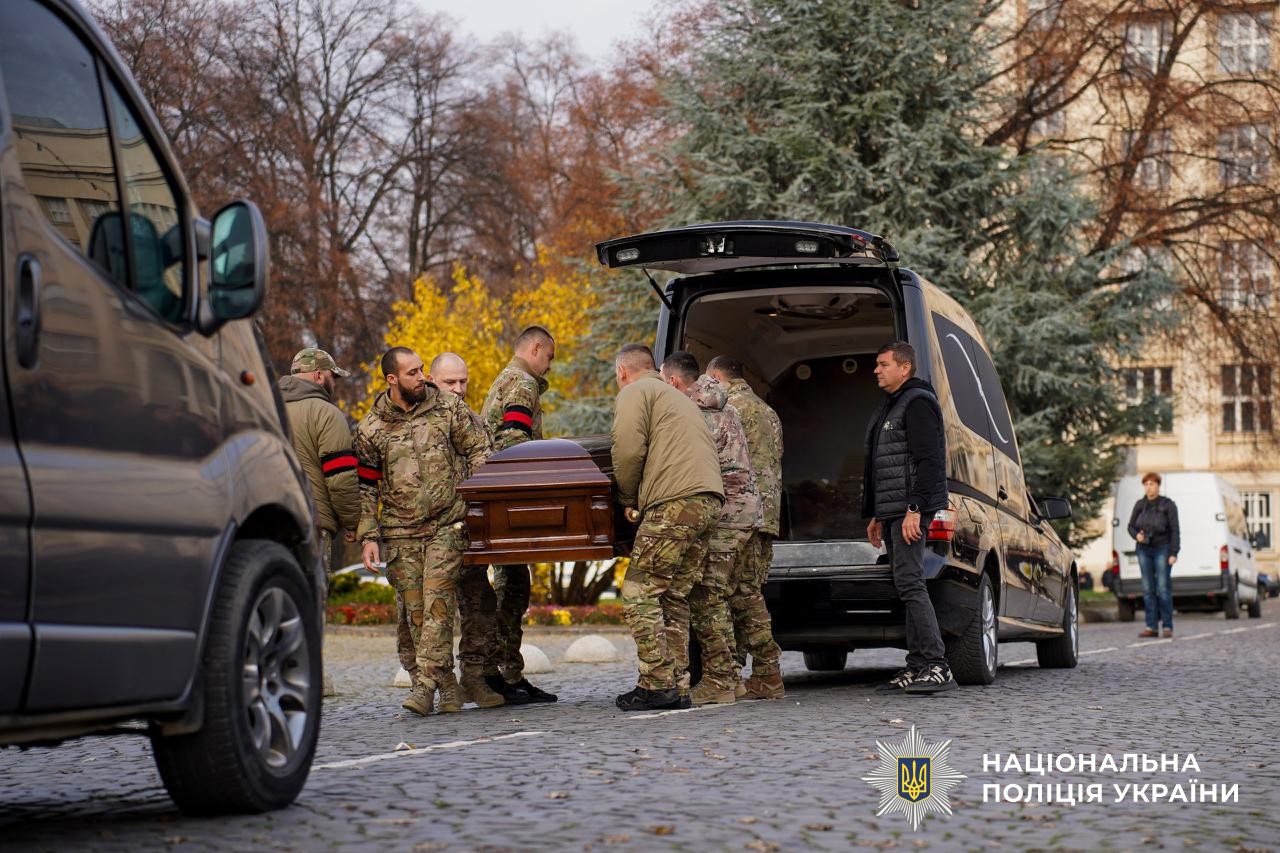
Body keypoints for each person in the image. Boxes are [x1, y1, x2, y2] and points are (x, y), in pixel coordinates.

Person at [355, 347, 492, 716]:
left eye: (421, 370)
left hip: (449, 523)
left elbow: (480, 450)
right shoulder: (371, 429)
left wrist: (474, 501)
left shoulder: (448, 409)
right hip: (400, 531)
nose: (421, 378)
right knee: (414, 613)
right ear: (392, 380)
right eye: (413, 373)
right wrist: (369, 536)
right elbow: (366, 487)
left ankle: (424, 683)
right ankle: (447, 687)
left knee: (437, 599)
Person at [612, 344, 724, 711]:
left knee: (639, 591)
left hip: (676, 501)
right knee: (674, 595)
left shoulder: (635, 391)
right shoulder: (674, 396)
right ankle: (677, 685)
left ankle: (657, 683)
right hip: (707, 501)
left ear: (622, 372)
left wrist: (628, 499)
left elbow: (627, 450)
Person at [661, 351, 761, 706]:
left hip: (726, 515)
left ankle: (720, 680)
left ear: (673, 382)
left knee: (706, 595)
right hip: (745, 511)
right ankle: (732, 678)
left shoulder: (694, 412)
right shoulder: (723, 403)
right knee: (729, 594)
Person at [863, 341, 955, 695]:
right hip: (893, 510)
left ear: (905, 368)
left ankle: (936, 664)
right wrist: (876, 514)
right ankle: (917, 665)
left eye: (883, 364)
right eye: (877, 364)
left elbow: (928, 461)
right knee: (906, 583)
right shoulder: (894, 405)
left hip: (909, 509)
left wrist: (914, 508)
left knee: (911, 583)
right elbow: (884, 465)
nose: (877, 370)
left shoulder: (917, 403)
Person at [479, 326, 559, 704]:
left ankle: (507, 671)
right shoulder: (523, 384)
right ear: (536, 347)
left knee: (513, 588)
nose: (550, 365)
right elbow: (514, 444)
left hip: (499, 498)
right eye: (550, 356)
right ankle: (499, 674)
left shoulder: (504, 380)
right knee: (512, 591)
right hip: (509, 500)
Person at [424, 352, 504, 709]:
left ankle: (472, 677)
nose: (458, 389)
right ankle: (433, 686)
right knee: (430, 614)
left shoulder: (474, 421)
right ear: (430, 379)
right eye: (449, 382)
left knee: (482, 603)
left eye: (463, 382)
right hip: (426, 533)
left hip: (467, 531)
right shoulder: (418, 419)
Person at [706, 355, 786, 700]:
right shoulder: (769, 412)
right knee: (746, 590)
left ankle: (765, 671)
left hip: (739, 514)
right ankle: (740, 672)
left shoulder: (728, 409)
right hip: (766, 515)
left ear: (714, 376)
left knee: (739, 594)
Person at [276, 347, 359, 578]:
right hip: (312, 526)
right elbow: (340, 477)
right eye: (333, 377)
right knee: (313, 600)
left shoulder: (267, 410)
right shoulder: (326, 413)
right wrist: (352, 523)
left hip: (269, 521)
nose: (334, 383)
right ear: (319, 375)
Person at [1127, 472, 1180, 639]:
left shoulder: (1168, 505)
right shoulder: (1140, 505)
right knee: (1148, 589)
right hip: (1144, 549)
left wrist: (1174, 552)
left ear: (1158, 486)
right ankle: (1151, 626)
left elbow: (1175, 530)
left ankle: (1167, 626)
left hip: (1162, 548)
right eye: (1146, 484)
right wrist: (1137, 536)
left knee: (1163, 588)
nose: (1149, 487)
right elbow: (1130, 526)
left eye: (1152, 484)